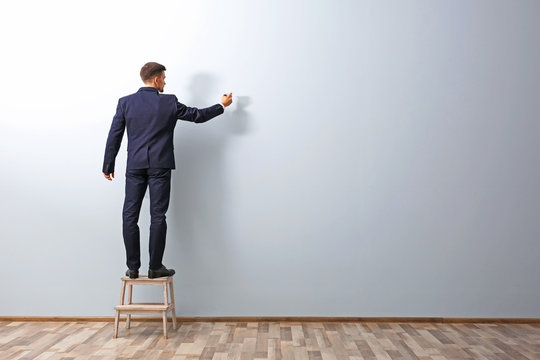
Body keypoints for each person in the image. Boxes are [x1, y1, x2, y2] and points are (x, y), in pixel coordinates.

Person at [102, 62, 233, 279]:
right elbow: (197, 116)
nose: (165, 81)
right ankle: (155, 267)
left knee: (129, 216)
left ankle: (133, 267)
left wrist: (108, 165)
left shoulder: (125, 103)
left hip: (135, 165)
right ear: (155, 80)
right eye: (163, 78)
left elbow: (114, 134)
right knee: (158, 216)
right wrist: (222, 105)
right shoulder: (168, 102)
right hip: (160, 166)